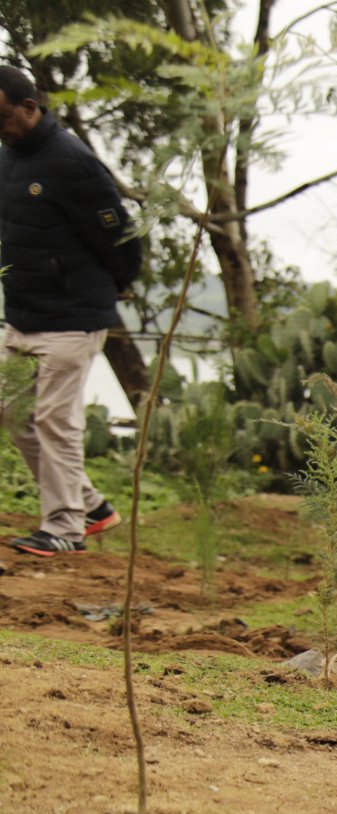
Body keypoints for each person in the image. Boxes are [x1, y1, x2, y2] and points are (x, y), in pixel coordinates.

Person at [0, 66, 140, 556]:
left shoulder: (73, 161)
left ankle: (64, 528)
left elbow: (120, 236)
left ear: (29, 107)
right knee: (12, 412)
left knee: (54, 421)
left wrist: (118, 284)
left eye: (2, 118)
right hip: (22, 314)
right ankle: (91, 507)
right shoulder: (7, 159)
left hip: (71, 316)